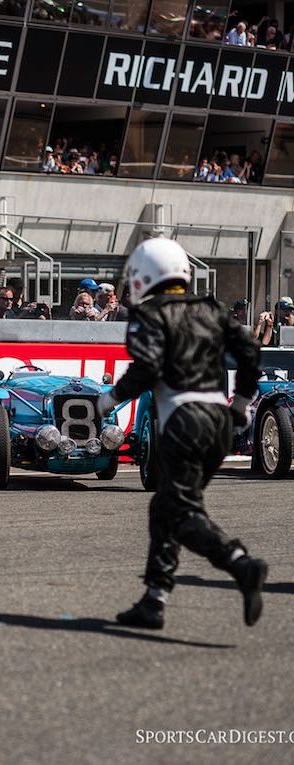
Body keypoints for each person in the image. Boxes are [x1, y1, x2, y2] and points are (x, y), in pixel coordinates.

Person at [96, 237, 267, 630]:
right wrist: (240, 403)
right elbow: (251, 351)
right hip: (218, 419)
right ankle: (155, 598)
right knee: (166, 507)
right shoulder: (212, 309)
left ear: (144, 275)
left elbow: (148, 366)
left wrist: (112, 398)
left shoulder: (148, 314)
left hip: (183, 420)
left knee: (182, 512)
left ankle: (241, 564)